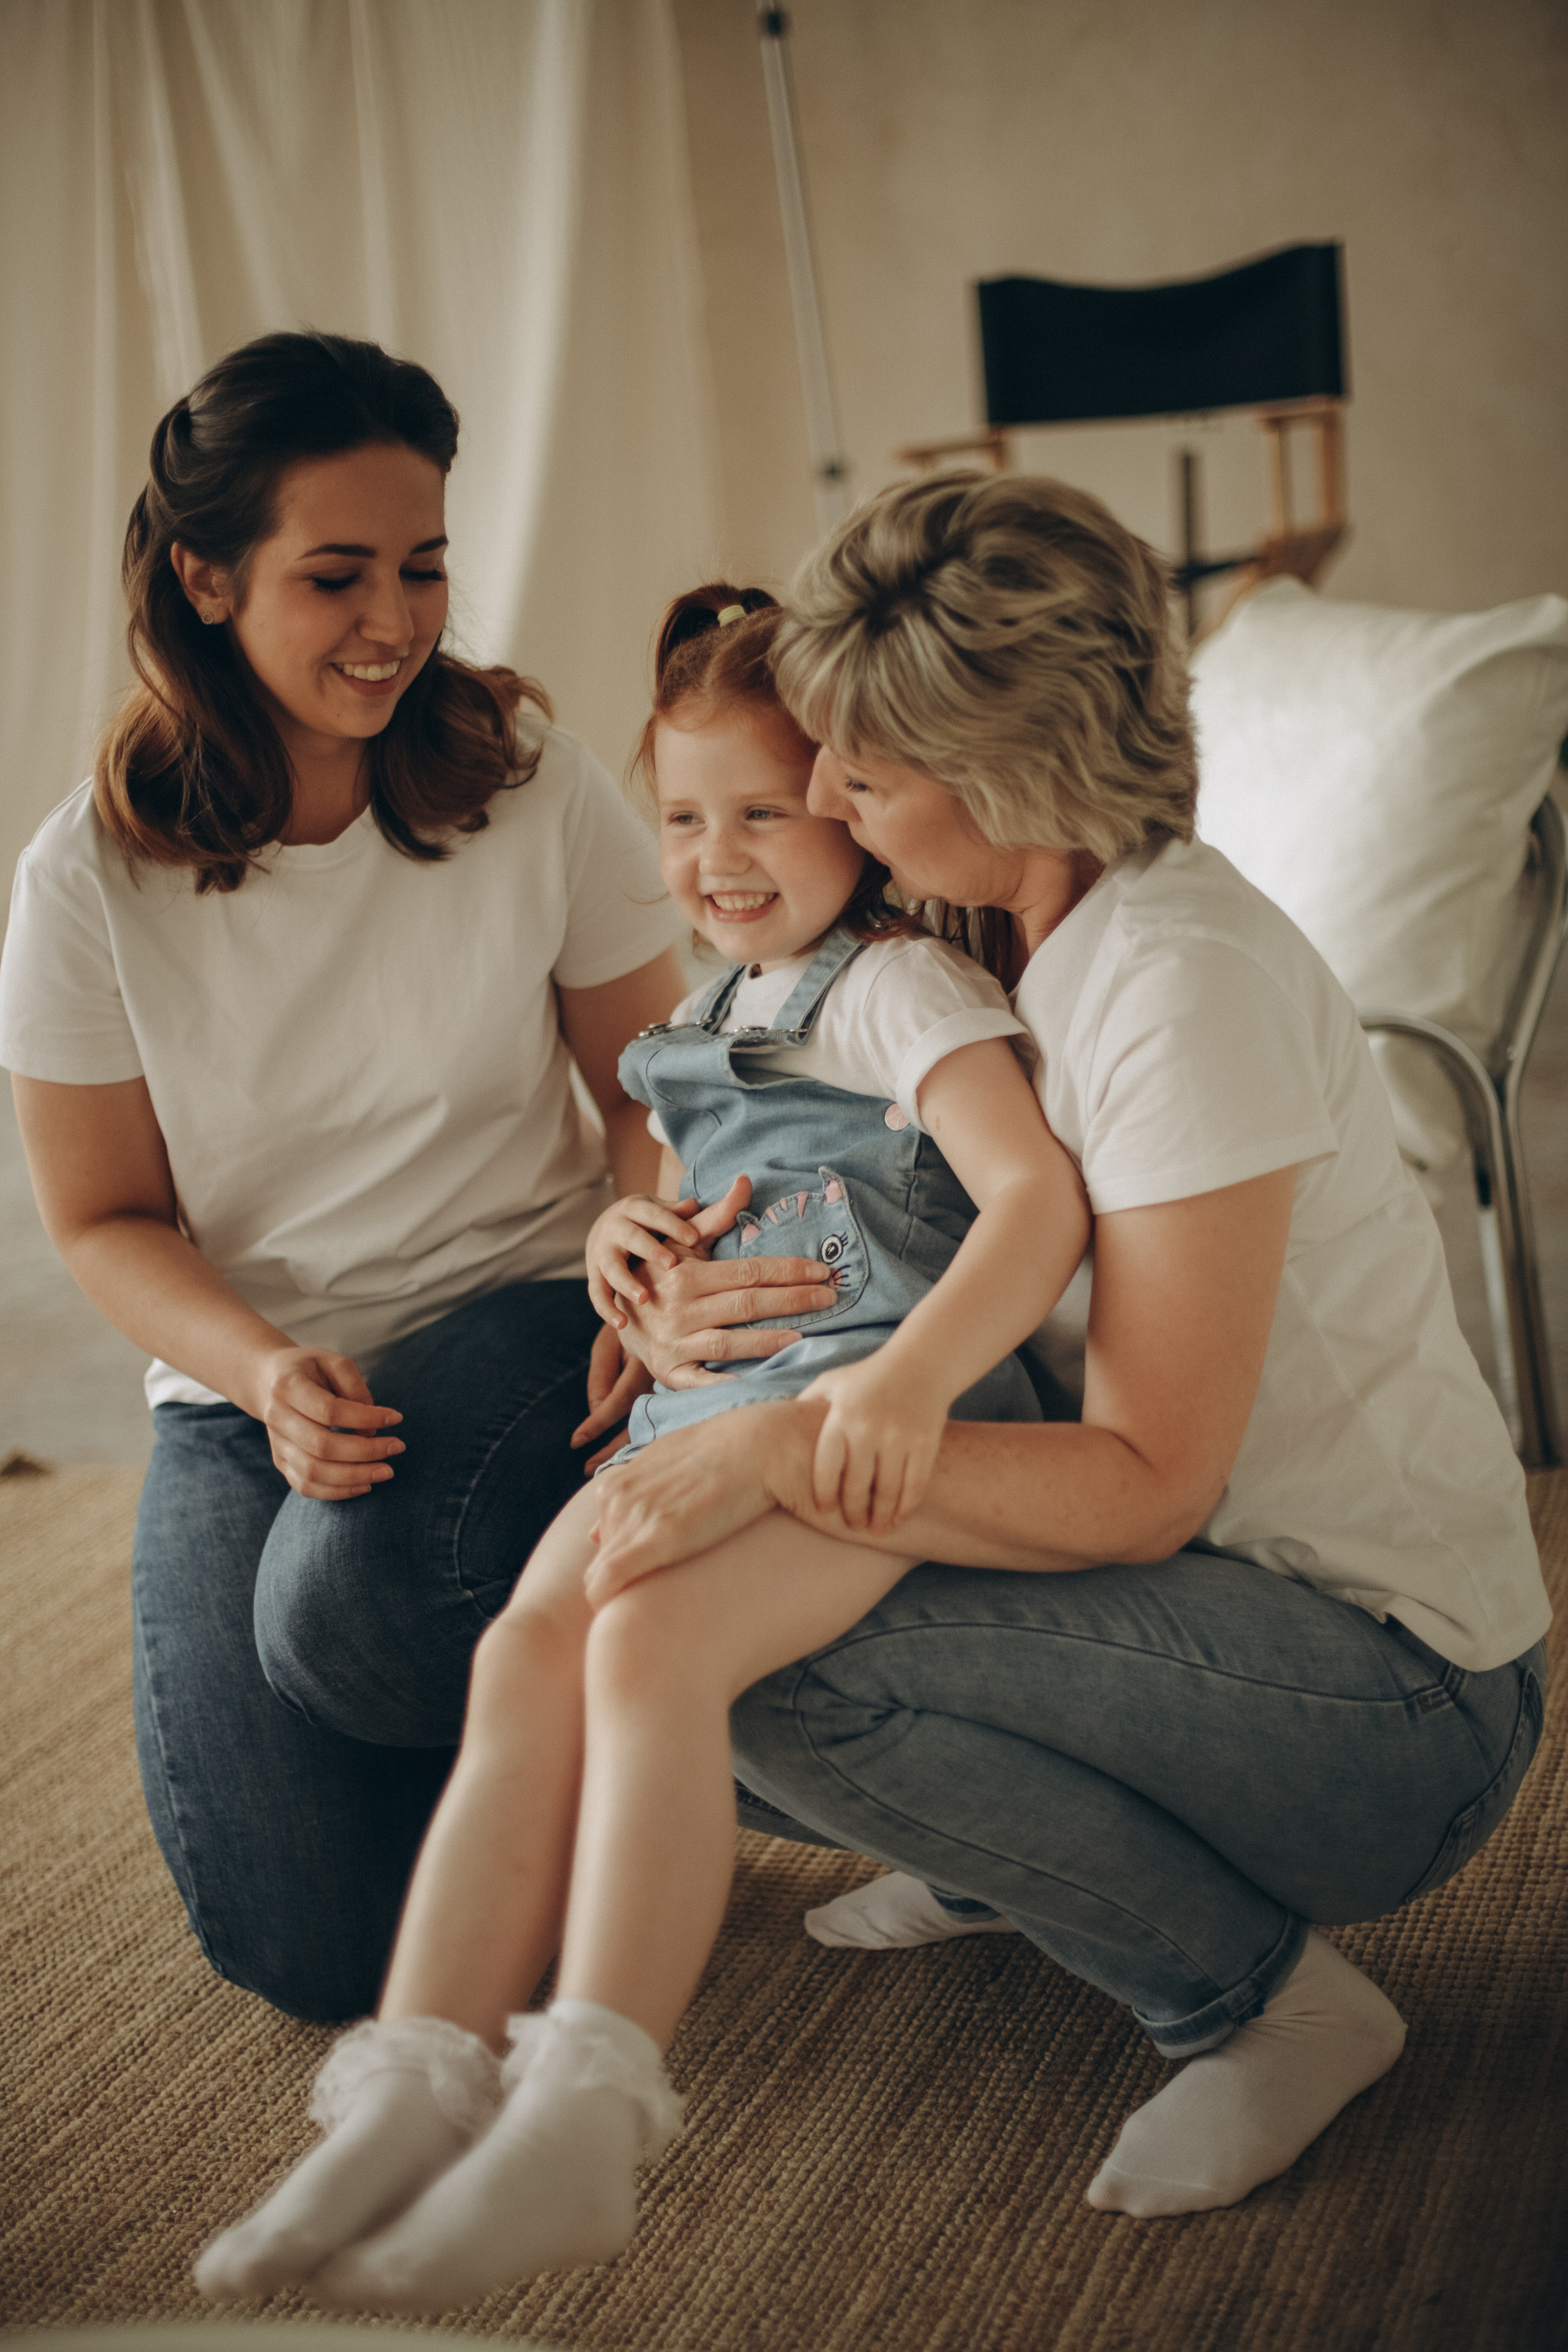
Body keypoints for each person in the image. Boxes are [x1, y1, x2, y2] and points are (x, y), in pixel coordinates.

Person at [570, 475, 1551, 2222]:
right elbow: (786, 1128)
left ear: (1008, 771)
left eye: (863, 779)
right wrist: (653, 1255)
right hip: (1204, 1597)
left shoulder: (1180, 984)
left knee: (759, 1652)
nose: (837, 816)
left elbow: (1147, 1484)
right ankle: (1002, 1858)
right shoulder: (1000, 925)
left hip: (1391, 1697)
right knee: (659, 1620)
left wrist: (782, 1452)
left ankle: (1267, 2003)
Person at [191, 582, 1091, 2310]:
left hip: (865, 1426)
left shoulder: (893, 986)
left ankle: (587, 2106)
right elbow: (686, 1181)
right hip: (695, 1412)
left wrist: (896, 1395)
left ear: (850, 801)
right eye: (683, 818)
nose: (719, 854)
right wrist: (629, 1245)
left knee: (650, 1651)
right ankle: (415, 2075)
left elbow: (1033, 1200)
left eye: (763, 810)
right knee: (529, 1643)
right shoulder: (702, 1010)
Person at [0, 328, 739, 2023]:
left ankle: (551, 1750)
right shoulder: (86, 877)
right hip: (257, 1384)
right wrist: (260, 1376)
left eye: (423, 567)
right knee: (313, 1954)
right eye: (336, 576)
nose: (397, 621)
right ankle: (539, 1776)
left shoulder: (528, 788)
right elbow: (100, 1218)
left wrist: (640, 1228)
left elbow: (649, 1084)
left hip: (529, 1316)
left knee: (341, 1613)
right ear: (205, 576)